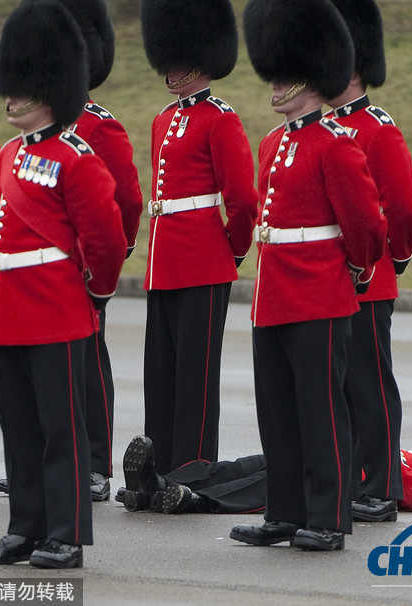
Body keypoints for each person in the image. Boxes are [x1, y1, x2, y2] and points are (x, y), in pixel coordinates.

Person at [0, 0, 126, 569]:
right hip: (10, 305)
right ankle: (25, 527)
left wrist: (96, 294)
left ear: (49, 88)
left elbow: (105, 240)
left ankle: (66, 532)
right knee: (20, 428)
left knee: (62, 430)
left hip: (58, 305)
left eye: (22, 88)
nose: (9, 98)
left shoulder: (77, 157)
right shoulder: (7, 154)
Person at [238, 0, 387, 552]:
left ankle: (327, 516)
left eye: (287, 75)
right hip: (273, 293)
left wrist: (352, 270)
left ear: (314, 80)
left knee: (321, 410)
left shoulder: (337, 144)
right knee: (276, 409)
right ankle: (284, 510)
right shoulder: (273, 144)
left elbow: (366, 228)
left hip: (320, 294)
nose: (274, 85)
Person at [0, 0, 142, 502]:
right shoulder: (13, 152)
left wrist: (96, 278)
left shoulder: (96, 131)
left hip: (67, 282)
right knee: (29, 407)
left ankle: (94, 463)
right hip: (22, 291)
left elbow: (123, 203)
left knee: (82, 380)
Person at [139, 0, 258, 475]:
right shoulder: (164, 120)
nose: (171, 68)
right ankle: (158, 463)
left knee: (196, 375)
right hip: (164, 259)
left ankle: (191, 468)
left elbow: (243, 199)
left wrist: (231, 249)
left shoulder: (220, 118)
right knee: (161, 371)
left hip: (204, 260)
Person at [325, 0, 412, 525]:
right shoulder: (322, 130)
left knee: (368, 383)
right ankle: (353, 476)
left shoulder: (377, 129)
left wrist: (396, 260)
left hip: (369, 276)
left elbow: (404, 207)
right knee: (338, 386)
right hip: (328, 278)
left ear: (355, 66)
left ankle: (382, 483)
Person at [117, 432, 412, 515]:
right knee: (244, 467)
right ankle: (161, 486)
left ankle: (194, 501)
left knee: (263, 485)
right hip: (326, 454)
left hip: (343, 478)